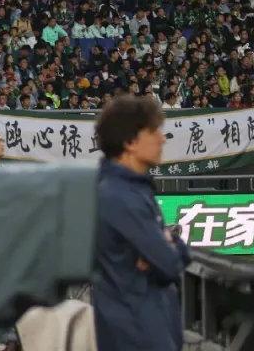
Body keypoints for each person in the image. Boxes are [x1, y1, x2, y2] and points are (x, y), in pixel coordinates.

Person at [92, 94, 189, 351]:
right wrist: (174, 245)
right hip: (136, 332)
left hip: (140, 325)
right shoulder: (120, 195)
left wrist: (168, 243)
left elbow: (162, 258)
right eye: (154, 131)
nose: (162, 138)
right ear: (130, 142)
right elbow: (169, 264)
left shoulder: (128, 188)